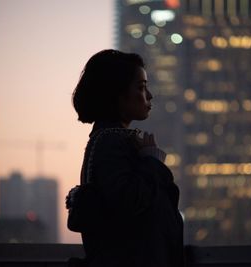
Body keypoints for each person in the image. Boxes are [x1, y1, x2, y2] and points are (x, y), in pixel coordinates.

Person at [70, 49, 183, 267]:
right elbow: (128, 202)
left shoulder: (108, 139)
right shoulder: (112, 141)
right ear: (116, 95)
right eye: (141, 87)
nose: (149, 96)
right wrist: (152, 161)